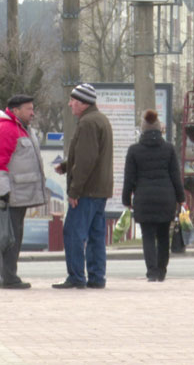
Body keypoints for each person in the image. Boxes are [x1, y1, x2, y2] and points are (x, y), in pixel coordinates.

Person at [53, 83, 113, 290]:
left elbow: (87, 160)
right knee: (96, 235)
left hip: (87, 190)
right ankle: (97, 277)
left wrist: (74, 191)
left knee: (73, 232)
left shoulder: (87, 123)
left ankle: (76, 276)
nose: (70, 104)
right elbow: (91, 155)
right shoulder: (100, 120)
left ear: (82, 103)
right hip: (100, 190)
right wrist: (67, 166)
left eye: (72, 101)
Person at [0, 94, 47, 289]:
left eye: (32, 108)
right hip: (11, 194)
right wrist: (2, 194)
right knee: (10, 237)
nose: (32, 113)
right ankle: (8, 277)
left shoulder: (22, 129)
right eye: (28, 109)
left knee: (15, 235)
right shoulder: (5, 129)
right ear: (15, 111)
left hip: (19, 193)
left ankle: (10, 275)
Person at [122, 109, 185, 282]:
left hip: (143, 199)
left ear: (142, 130)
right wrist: (181, 198)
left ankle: (151, 272)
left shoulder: (134, 151)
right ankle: (162, 271)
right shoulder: (169, 150)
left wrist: (126, 200)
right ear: (160, 130)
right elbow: (175, 176)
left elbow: (129, 179)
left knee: (148, 236)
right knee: (164, 235)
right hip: (166, 199)